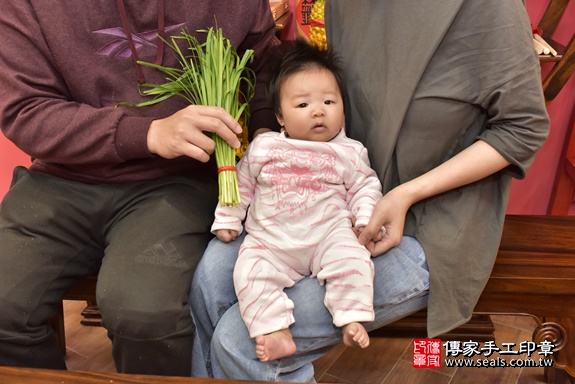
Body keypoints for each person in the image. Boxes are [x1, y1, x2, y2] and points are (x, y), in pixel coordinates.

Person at [190, 0, 550, 381]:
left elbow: (522, 128)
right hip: (330, 204)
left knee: (240, 340)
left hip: (429, 222)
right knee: (211, 282)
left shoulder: (487, 9)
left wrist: (404, 194)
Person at [0, 0, 280, 376]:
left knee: (145, 315)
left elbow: (263, 72)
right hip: (61, 178)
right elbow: (26, 110)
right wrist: (147, 133)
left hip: (178, 179)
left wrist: (265, 133)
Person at [212, 42, 383, 362]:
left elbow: (365, 186)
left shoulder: (350, 151)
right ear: (279, 115)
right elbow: (241, 184)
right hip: (272, 240)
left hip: (327, 235)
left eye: (329, 101)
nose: (319, 110)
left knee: (353, 259)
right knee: (248, 272)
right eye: (303, 104)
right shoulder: (264, 147)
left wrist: (364, 217)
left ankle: (350, 315)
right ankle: (275, 330)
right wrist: (228, 218)